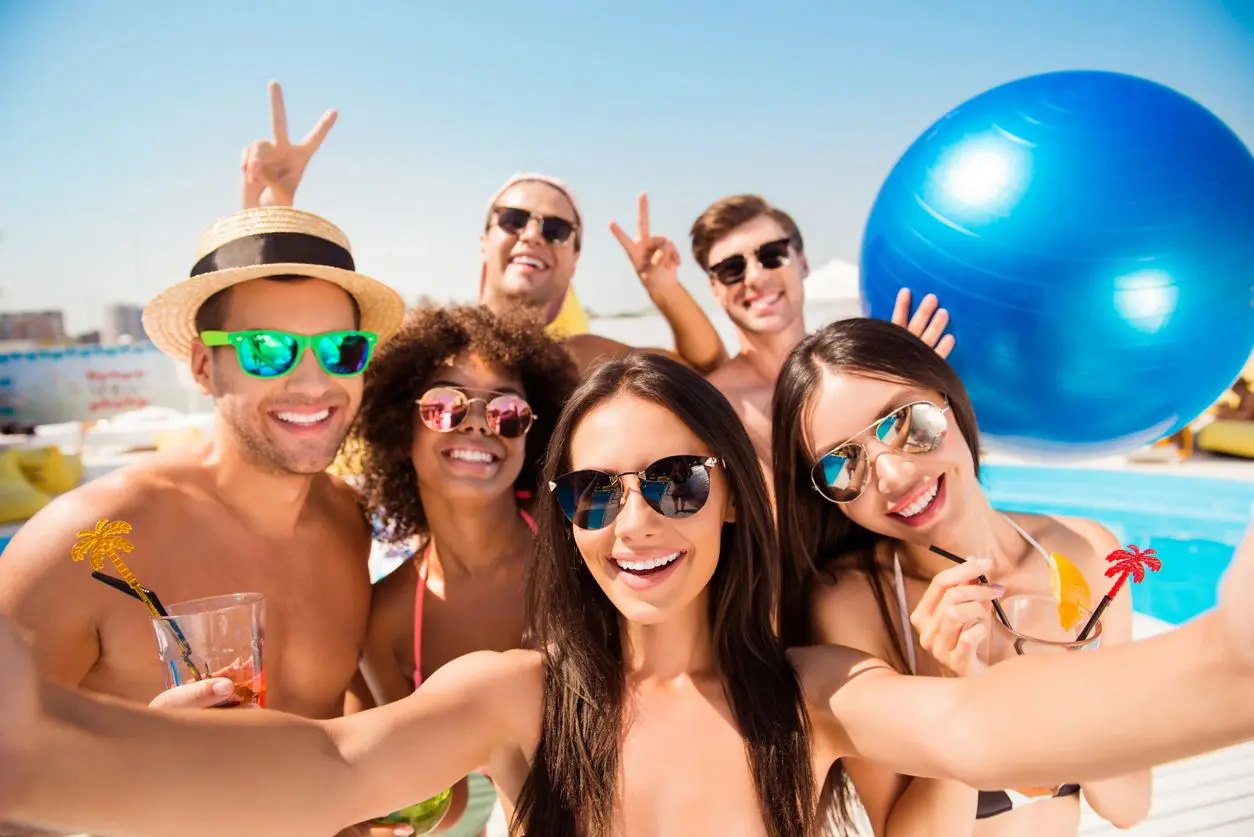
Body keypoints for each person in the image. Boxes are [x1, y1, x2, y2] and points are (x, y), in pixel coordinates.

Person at [4, 354, 1254, 837]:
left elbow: (990, 734)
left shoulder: (813, 696)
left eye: (671, 480)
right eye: (596, 495)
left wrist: (1233, 659)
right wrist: (63, 753)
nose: (636, 519)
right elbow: (332, 769)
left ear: (729, 497)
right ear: (564, 522)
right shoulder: (515, 697)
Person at [0, 205, 404, 827]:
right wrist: (132, 765)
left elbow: (337, 706)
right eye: (266, 349)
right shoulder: (85, 545)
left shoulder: (350, 521)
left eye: (340, 349)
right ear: (200, 366)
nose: (312, 379)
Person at [770, 318, 1155, 835]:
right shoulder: (852, 605)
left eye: (907, 422)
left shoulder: (1090, 551)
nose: (894, 474)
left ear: (950, 399)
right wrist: (963, 697)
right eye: (843, 463)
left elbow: (1128, 804)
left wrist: (1068, 697)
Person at [240, 81, 728, 374]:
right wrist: (272, 203)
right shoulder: (423, 345)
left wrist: (663, 288)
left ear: (574, 259)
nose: (533, 234)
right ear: (484, 239)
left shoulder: (581, 361)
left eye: (556, 229)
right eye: (514, 220)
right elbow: (280, 332)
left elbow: (705, 369)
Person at [347, 304, 578, 836]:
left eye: (507, 411)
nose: (476, 421)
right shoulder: (387, 618)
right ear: (400, 430)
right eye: (445, 405)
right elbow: (435, 796)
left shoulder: (582, 556)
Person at [687, 193, 952, 468]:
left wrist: (909, 392)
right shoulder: (712, 409)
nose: (755, 277)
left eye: (772, 256)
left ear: (802, 261)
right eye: (732, 269)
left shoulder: (868, 370)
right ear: (715, 290)